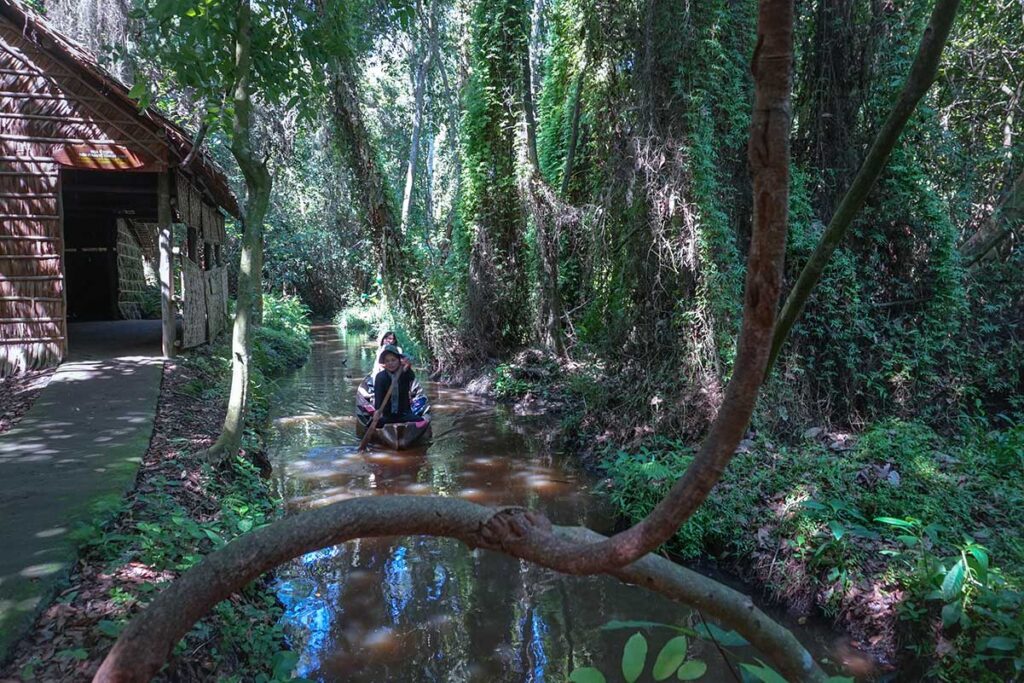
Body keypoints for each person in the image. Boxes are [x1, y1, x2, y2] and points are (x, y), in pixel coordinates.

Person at [373, 344, 417, 424]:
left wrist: (408, 367)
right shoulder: (380, 377)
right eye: (387, 361)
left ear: (399, 360)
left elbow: (411, 377)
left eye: (393, 360)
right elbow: (378, 396)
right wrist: (377, 411)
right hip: (387, 416)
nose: (390, 363)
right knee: (373, 424)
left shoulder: (404, 373)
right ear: (384, 363)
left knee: (421, 421)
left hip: (404, 414)